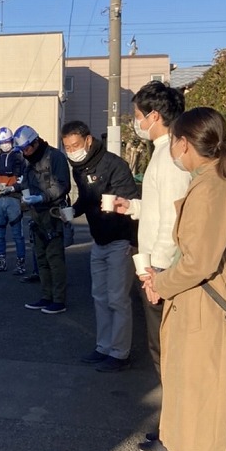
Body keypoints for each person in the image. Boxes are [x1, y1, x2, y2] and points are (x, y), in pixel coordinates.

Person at [139, 107, 226, 451]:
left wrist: (161, 283)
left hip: (204, 313)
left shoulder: (211, 188)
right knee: (207, 410)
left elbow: (197, 262)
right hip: (205, 309)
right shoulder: (214, 182)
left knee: (206, 413)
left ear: (183, 142)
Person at [114, 82, 190, 451]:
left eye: (138, 116)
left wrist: (156, 272)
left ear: (155, 116)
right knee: (163, 353)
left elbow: (174, 223)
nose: (136, 122)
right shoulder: (164, 152)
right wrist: (132, 207)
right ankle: (170, 428)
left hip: (164, 271)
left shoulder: (172, 156)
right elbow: (160, 210)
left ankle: (175, 433)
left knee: (167, 354)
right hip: (161, 268)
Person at [61, 120, 139, 371]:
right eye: (67, 147)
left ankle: (120, 353)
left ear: (88, 140)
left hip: (120, 241)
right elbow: (86, 198)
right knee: (100, 297)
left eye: (75, 145)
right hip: (99, 241)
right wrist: (71, 210)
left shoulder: (115, 164)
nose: (72, 151)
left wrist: (134, 242)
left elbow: (132, 202)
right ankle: (104, 346)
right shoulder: (79, 169)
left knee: (118, 299)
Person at [13, 125, 71, 314]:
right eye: (22, 150)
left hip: (52, 213)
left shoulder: (55, 157)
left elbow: (63, 185)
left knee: (55, 259)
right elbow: (26, 184)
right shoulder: (28, 161)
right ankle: (46, 296)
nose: (25, 152)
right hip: (36, 214)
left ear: (36, 142)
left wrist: (42, 197)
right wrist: (17, 191)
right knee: (41, 258)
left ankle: (59, 300)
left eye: (27, 148)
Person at [0, 127, 27, 274]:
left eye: (7, 141)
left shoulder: (19, 157)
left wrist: (12, 188)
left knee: (17, 235)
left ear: (12, 141)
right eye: (2, 142)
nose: (5, 144)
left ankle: (21, 265)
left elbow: (24, 179)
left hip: (13, 199)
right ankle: (1, 262)